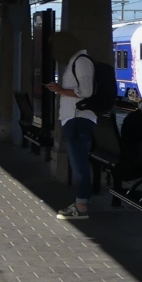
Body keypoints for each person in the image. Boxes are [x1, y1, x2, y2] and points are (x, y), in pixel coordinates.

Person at [46, 30, 96, 220]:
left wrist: (60, 90)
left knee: (79, 164)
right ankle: (81, 203)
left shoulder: (81, 62)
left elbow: (86, 92)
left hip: (79, 119)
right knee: (78, 163)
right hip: (73, 119)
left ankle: (81, 206)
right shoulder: (75, 61)